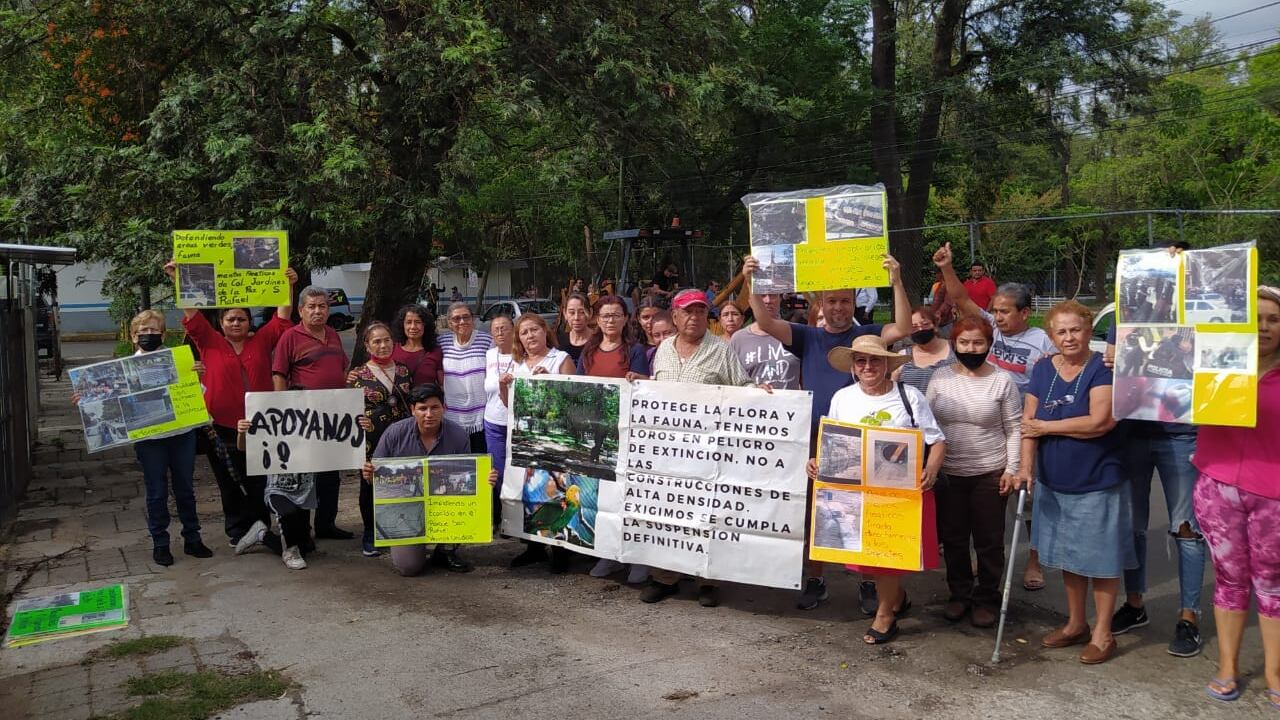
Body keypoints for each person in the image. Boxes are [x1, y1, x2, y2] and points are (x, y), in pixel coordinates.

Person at [744, 254, 912, 614]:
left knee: (861, 515)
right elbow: (764, 320)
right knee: (816, 514)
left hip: (863, 440)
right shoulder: (807, 335)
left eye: (845, 301)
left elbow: (903, 326)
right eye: (832, 300)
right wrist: (751, 282)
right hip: (816, 439)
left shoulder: (867, 335)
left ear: (854, 303)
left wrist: (895, 280)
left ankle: (868, 582)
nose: (838, 307)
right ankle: (816, 579)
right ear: (821, 304)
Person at [934, 241, 1056, 590]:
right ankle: (977, 559)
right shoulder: (990, 330)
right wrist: (947, 268)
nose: (999, 316)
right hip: (988, 421)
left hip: (1024, 425)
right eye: (996, 310)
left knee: (1028, 498)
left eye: (1005, 311)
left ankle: (1034, 560)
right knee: (984, 510)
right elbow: (961, 300)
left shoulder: (1042, 342)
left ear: (1025, 312)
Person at [1017, 300, 1131, 665]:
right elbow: (1027, 423)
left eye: (1076, 329)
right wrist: (1026, 467)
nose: (1069, 337)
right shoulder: (1041, 369)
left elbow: (1100, 421)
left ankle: (1103, 632)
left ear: (1088, 330)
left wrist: (1048, 427)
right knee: (1069, 554)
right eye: (1061, 331)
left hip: (1096, 478)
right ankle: (1076, 623)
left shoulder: (1103, 368)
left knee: (1100, 558)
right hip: (1054, 479)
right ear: (1051, 335)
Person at [813, 334, 946, 643]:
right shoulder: (842, 398)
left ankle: (885, 615)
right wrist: (817, 461)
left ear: (887, 364)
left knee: (888, 555)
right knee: (868, 559)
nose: (868, 366)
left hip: (899, 493)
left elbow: (937, 440)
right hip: (857, 493)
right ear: (853, 367)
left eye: (875, 360)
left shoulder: (909, 396)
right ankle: (896, 596)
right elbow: (834, 442)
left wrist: (932, 468)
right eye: (861, 360)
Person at [163, 261, 295, 553]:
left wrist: (288, 284)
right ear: (221, 324)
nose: (236, 323)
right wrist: (178, 279)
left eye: (242, 319)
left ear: (250, 323)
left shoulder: (262, 341)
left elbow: (282, 315)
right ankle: (237, 530)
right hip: (220, 427)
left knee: (259, 479)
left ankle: (261, 526)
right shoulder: (209, 342)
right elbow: (191, 312)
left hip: (260, 424)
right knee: (228, 481)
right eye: (230, 319)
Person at [642, 288, 759, 607]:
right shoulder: (663, 348)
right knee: (668, 514)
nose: (694, 317)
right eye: (687, 312)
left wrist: (760, 394)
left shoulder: (721, 349)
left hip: (708, 454)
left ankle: (708, 581)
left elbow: (743, 387)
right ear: (675, 317)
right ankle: (665, 577)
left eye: (700, 312)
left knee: (707, 515)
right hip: (667, 451)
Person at [1194, 285, 1280, 705]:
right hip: (1217, 486)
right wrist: (1177, 267)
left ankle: (1274, 673)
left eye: (1274, 319)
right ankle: (1227, 666)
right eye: (1256, 318)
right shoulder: (1214, 363)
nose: (1264, 326)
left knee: (1273, 584)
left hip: (1275, 497)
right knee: (1229, 579)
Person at [77, 310, 212, 566]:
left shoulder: (180, 361)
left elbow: (197, 396)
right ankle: (160, 543)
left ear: (163, 334)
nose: (148, 335)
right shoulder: (121, 370)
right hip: (150, 440)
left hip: (182, 435)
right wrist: (85, 398)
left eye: (154, 331)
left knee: (185, 489)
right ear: (133, 336)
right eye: (143, 331)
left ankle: (192, 538)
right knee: (156, 491)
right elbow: (105, 401)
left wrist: (197, 376)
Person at [925, 317, 1022, 628]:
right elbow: (926, 425)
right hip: (949, 474)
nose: (971, 348)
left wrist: (1012, 468)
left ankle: (986, 598)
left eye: (978, 342)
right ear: (954, 344)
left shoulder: (1002, 381)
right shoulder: (940, 378)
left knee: (989, 541)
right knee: (953, 539)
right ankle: (959, 594)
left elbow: (1015, 428)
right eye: (964, 343)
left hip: (990, 473)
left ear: (989, 345)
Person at [360, 383, 500, 576]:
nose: (429, 414)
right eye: (422, 408)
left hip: (443, 505)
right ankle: (416, 546)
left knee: (463, 506)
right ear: (412, 410)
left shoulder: (458, 435)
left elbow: (467, 478)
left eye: (435, 408)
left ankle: (445, 550)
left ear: (444, 408)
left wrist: (485, 479)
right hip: (406, 509)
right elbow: (378, 477)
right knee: (408, 568)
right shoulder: (394, 433)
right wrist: (369, 475)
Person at [577, 295, 650, 581]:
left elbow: (648, 391)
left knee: (631, 497)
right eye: (605, 315)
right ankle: (608, 554)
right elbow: (578, 389)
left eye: (616, 315)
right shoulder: (589, 351)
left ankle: (639, 560)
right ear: (597, 319)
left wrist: (639, 381)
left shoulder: (635, 351)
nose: (610, 320)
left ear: (624, 319)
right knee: (602, 496)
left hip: (628, 436)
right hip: (597, 437)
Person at [272, 285, 352, 541]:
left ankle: (326, 524)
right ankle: (302, 532)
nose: (318, 311)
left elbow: (342, 369)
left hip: (334, 417)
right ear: (301, 310)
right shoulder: (290, 337)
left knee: (331, 475)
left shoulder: (333, 334)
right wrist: (284, 410)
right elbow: (279, 374)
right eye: (312, 306)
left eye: (323, 306)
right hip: (303, 418)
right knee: (304, 476)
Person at [502, 314, 577, 572]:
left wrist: (551, 382)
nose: (530, 336)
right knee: (530, 494)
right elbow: (508, 405)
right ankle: (534, 548)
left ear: (545, 331)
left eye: (534, 330)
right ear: (519, 339)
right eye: (524, 333)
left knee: (555, 494)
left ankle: (560, 552)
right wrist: (504, 387)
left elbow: (572, 401)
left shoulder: (561, 359)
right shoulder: (518, 365)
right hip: (527, 440)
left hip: (554, 441)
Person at [348, 322, 413, 557]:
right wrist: (358, 421)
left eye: (386, 340)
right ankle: (370, 533)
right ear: (367, 345)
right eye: (376, 341)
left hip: (403, 437)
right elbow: (347, 412)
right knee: (370, 485)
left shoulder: (404, 370)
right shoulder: (357, 375)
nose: (383, 345)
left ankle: (400, 530)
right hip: (371, 439)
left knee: (403, 482)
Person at [439, 301, 493, 453]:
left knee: (480, 458)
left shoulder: (487, 340)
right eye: (456, 319)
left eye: (466, 317)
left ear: (473, 319)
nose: (462, 322)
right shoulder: (442, 343)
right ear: (449, 323)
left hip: (481, 415)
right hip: (451, 414)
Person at [730, 290, 800, 391]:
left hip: (790, 405)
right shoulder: (738, 339)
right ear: (751, 301)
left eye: (773, 295)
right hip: (753, 405)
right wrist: (753, 389)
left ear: (780, 299)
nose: (768, 300)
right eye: (762, 296)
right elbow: (732, 382)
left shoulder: (797, 332)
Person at [482, 313, 515, 524]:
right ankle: (500, 518)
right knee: (498, 472)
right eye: (496, 329)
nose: (500, 332)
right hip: (493, 422)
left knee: (518, 472)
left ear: (513, 330)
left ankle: (517, 519)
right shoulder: (489, 355)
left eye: (504, 328)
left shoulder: (522, 355)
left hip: (515, 423)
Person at [895, 306, 953, 395]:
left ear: (935, 326)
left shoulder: (955, 349)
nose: (920, 329)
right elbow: (893, 388)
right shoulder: (902, 356)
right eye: (914, 327)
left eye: (925, 324)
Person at [390, 304, 443, 386]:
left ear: (425, 325)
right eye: (408, 322)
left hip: (426, 398)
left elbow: (442, 383)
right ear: (402, 325)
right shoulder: (392, 349)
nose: (413, 327)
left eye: (418, 322)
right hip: (399, 398)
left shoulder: (435, 351)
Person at [557, 292, 592, 364]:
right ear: (565, 313)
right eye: (572, 313)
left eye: (582, 312)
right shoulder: (558, 341)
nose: (576, 318)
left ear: (590, 313)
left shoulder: (599, 341)